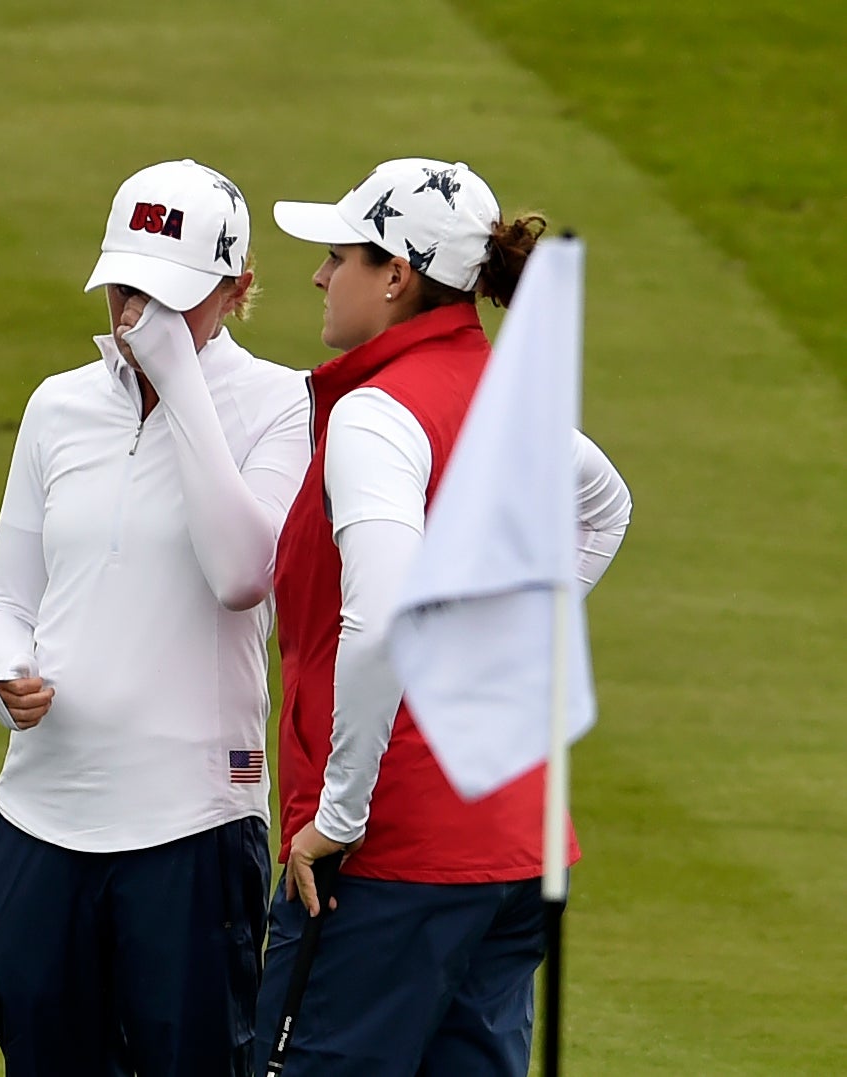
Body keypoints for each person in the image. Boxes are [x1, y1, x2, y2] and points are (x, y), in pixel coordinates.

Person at [253, 158, 633, 1075]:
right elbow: (605, 506)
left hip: (395, 859)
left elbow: (381, 622)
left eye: (338, 255)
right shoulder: (501, 392)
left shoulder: (376, 415)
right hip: (516, 848)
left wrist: (338, 817)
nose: (318, 274)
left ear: (397, 276)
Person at [0, 159, 312, 1076]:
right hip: (41, 815)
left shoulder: (283, 403)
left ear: (237, 291)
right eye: (126, 288)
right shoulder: (58, 405)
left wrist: (179, 381)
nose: (138, 317)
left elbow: (244, 571)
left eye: (168, 297)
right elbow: (6, 601)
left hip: (190, 826)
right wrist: (4, 670)